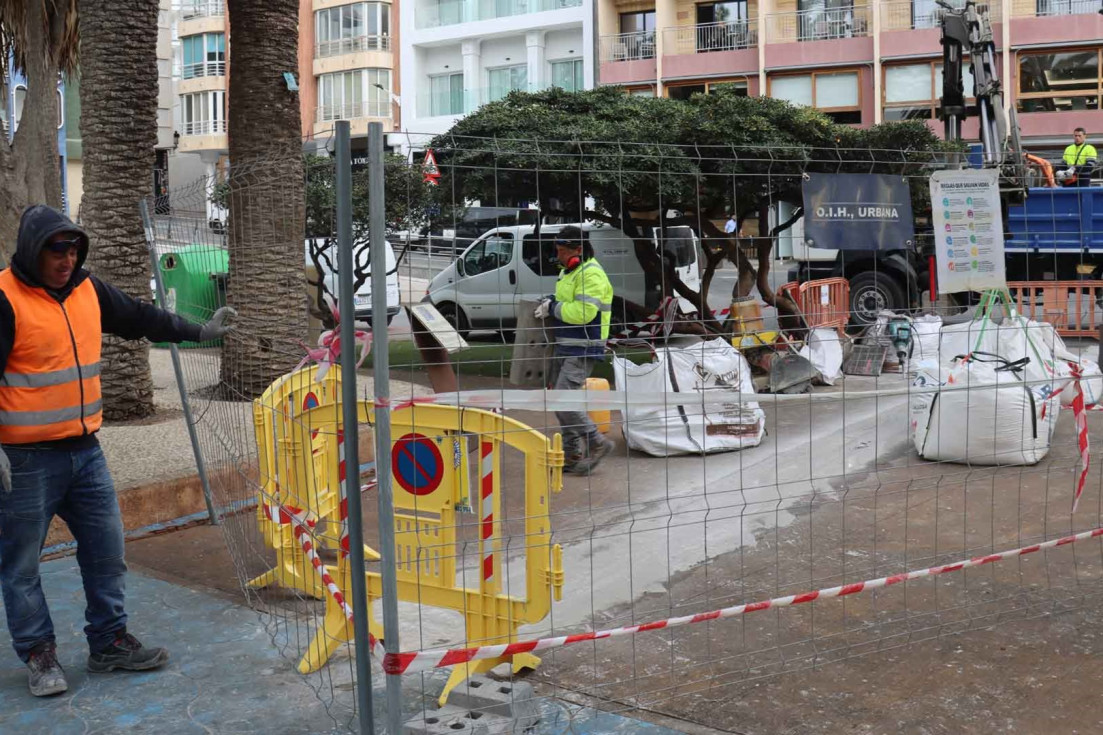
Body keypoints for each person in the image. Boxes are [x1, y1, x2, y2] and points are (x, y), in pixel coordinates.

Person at [0, 205, 236, 697]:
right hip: (25, 462)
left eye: (73, 249)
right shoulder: (5, 298)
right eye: (55, 250)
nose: (66, 259)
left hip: (85, 452)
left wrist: (198, 331)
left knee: (107, 553)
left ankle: (109, 644)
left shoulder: (88, 289)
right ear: (31, 250)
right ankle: (40, 655)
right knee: (21, 565)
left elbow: (140, 317)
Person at [534, 226, 616, 475]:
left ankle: (596, 443)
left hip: (583, 347)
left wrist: (554, 307)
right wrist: (550, 301)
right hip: (567, 344)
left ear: (577, 250)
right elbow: (569, 301)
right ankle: (571, 454)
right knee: (559, 400)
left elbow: (583, 313)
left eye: (561, 251)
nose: (557, 256)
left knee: (564, 399)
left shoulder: (591, 275)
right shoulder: (571, 272)